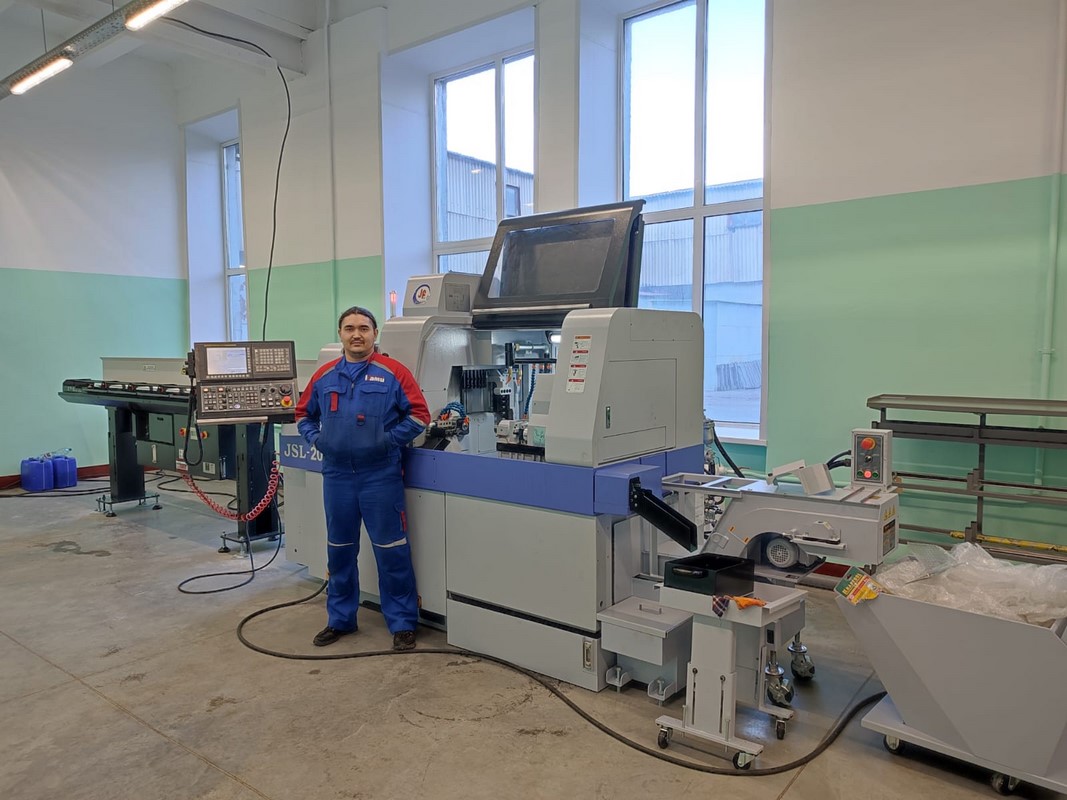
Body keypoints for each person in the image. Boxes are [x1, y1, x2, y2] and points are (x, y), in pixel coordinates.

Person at [295, 306, 430, 650]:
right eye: (350, 328)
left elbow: (419, 415)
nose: (357, 334)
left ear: (374, 334)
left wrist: (387, 441)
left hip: (380, 477)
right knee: (339, 550)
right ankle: (340, 619)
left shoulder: (393, 372)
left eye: (364, 328)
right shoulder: (325, 375)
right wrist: (318, 440)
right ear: (340, 333)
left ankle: (402, 623)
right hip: (337, 477)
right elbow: (302, 414)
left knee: (391, 551)